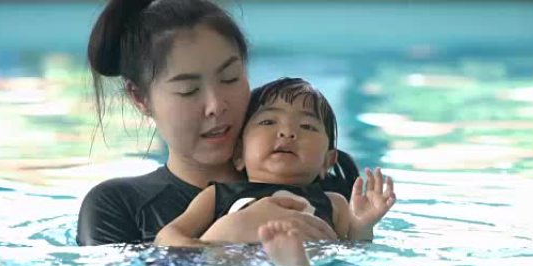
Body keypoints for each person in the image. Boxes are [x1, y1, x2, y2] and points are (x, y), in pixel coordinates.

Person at [77, 0, 359, 246]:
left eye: (230, 78)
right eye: (188, 90)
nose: (216, 106)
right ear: (140, 99)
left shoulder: (325, 187)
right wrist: (225, 236)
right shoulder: (119, 206)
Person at [154, 78, 396, 266]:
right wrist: (213, 244)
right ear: (238, 152)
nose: (288, 132)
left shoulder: (335, 203)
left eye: (307, 127)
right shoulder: (217, 194)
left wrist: (363, 225)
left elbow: (354, 255)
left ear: (327, 161)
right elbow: (167, 237)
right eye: (269, 121)